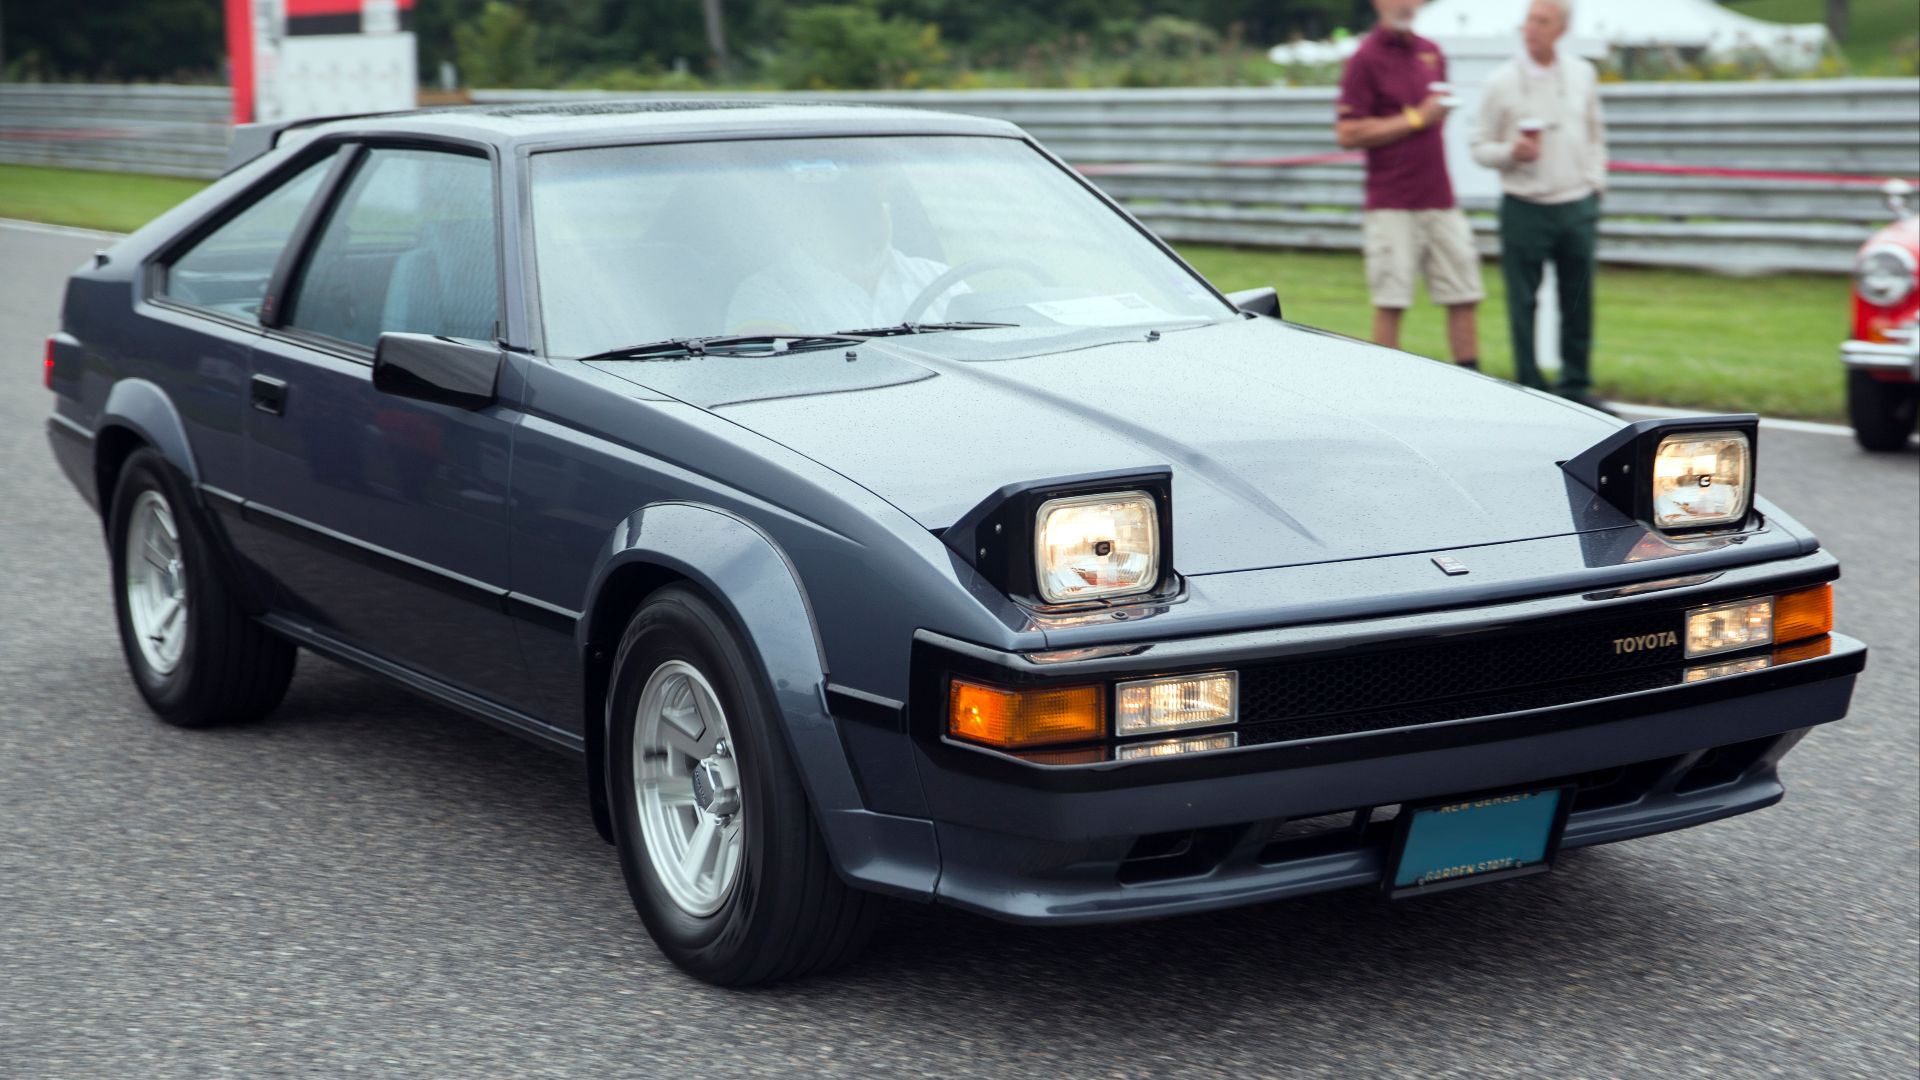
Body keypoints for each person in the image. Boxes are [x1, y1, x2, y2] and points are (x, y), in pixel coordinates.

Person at [1472, 0, 1609, 411]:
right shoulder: (1500, 82)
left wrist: (1594, 185)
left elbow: (1595, 134)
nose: (1531, 27)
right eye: (1529, 19)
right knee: (1522, 301)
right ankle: (1529, 387)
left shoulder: (1583, 73)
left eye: (1542, 21)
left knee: (1578, 300)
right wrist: (1510, 152)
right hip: (1523, 206)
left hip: (1576, 203)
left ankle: (1576, 385)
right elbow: (1479, 147)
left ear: (1561, 29)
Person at [1334, 0, 1483, 369]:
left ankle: (1472, 382)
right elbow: (1348, 132)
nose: (1405, 4)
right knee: (1392, 298)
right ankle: (1387, 385)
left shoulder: (1431, 51)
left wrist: (1430, 117)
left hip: (1439, 196)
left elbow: (1436, 119)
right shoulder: (1364, 58)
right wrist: (1416, 118)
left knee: (1464, 293)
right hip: (1390, 201)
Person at [726, 167, 962, 334]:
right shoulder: (765, 295)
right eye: (839, 208)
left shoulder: (942, 280)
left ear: (887, 211)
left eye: (868, 205)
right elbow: (774, 378)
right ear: (803, 218)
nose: (858, 220)